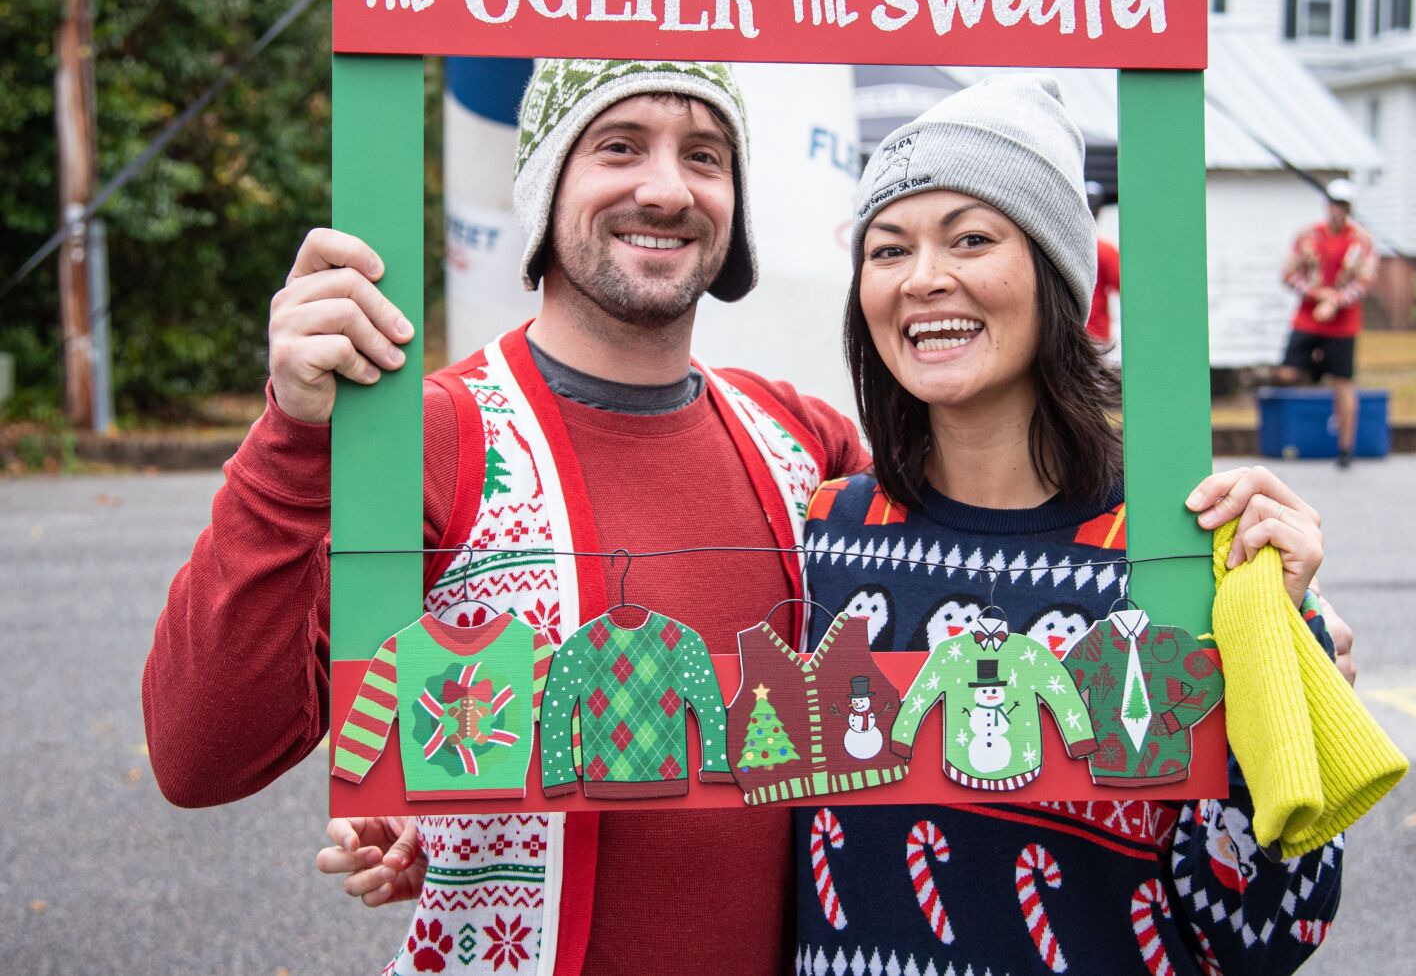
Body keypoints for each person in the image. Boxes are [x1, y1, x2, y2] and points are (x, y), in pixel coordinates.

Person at [142, 58, 871, 976]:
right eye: (618, 146)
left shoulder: (805, 442)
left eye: (706, 156)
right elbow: (200, 756)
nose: (666, 187)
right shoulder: (431, 436)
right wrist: (292, 439)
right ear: (546, 184)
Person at [796, 75, 1348, 974]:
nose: (925, 278)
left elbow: (1268, 931)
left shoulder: (1182, 553)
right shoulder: (828, 530)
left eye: (972, 238)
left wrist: (1284, 656)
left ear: (1056, 272)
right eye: (887, 249)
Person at [1275, 179, 1378, 468]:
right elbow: (1287, 274)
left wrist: (1336, 301)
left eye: (1343, 205)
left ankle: (1345, 449)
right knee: (1287, 372)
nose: (1337, 210)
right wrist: (1317, 294)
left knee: (1343, 384)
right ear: (1326, 205)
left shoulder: (1361, 241)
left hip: (1343, 323)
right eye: (1334, 203)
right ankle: (1317, 365)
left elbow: (1365, 282)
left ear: (1349, 209)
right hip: (1308, 318)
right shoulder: (1307, 236)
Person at [1084, 181, 1121, 346]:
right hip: (1096, 339)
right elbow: (1124, 285)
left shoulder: (1059, 247)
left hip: (1067, 335)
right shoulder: (1104, 250)